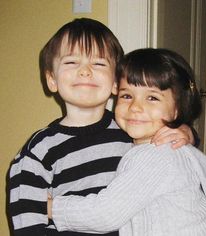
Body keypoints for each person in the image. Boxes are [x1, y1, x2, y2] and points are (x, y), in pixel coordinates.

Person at [8, 18, 196, 236]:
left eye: (98, 64)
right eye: (71, 62)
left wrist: (185, 132)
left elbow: (174, 153)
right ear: (52, 79)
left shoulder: (131, 129)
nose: (86, 71)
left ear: (116, 82)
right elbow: (27, 221)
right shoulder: (39, 150)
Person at [49, 48, 206, 236]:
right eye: (127, 96)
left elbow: (105, 213)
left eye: (152, 98)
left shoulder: (156, 155)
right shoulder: (167, 147)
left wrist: (50, 207)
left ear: (178, 109)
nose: (136, 107)